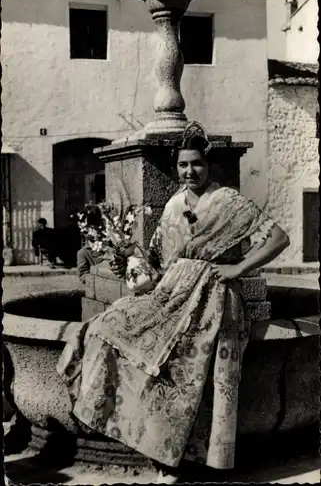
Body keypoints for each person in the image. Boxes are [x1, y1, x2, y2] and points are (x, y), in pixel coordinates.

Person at [56, 122, 289, 483]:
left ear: (208, 166)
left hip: (213, 296)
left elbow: (278, 238)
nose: (189, 171)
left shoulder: (228, 201)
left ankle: (189, 456)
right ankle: (154, 443)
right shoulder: (172, 206)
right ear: (175, 168)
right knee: (107, 327)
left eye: (196, 164)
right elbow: (158, 267)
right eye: (182, 165)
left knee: (186, 366)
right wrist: (128, 259)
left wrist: (238, 268)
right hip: (173, 292)